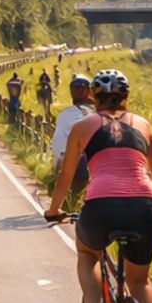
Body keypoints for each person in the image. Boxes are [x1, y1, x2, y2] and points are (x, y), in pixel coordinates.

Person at [43, 69, 152, 303]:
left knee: (88, 255)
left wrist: (54, 209)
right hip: (144, 207)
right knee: (140, 280)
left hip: (101, 205)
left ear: (93, 96)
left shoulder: (83, 125)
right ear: (125, 97)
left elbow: (66, 176)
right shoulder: (144, 125)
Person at [49, 74, 94, 209]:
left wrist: (56, 170)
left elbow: (58, 148)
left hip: (76, 169)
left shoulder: (64, 116)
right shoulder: (101, 115)